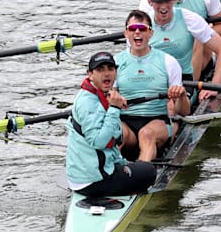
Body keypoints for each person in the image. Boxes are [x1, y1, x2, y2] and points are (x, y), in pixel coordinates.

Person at [65, 51, 157, 197]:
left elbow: (114, 137)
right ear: (90, 74)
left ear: (116, 72)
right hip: (95, 181)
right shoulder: (88, 103)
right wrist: (114, 109)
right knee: (149, 171)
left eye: (110, 69)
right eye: (100, 70)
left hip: (85, 176)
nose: (106, 74)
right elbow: (98, 142)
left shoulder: (95, 94)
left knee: (134, 164)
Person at [114, 9, 190, 163]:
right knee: (114, 134)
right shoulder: (115, 63)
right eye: (132, 29)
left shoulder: (168, 62)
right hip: (126, 121)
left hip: (157, 120)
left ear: (151, 33)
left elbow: (184, 112)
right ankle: (108, 173)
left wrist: (181, 95)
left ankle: (140, 178)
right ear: (125, 34)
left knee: (146, 134)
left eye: (142, 29)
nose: (137, 32)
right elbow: (107, 101)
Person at [142, 0, 221, 101]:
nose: (164, 6)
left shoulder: (190, 19)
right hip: (152, 80)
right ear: (150, 2)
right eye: (159, 2)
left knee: (170, 110)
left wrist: (214, 86)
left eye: (167, 0)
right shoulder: (141, 25)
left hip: (183, 80)